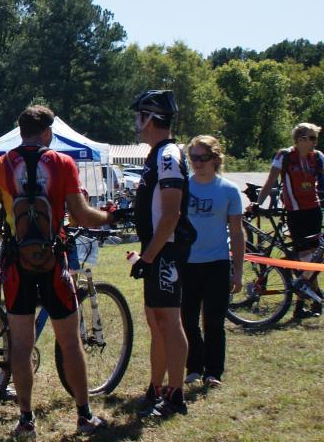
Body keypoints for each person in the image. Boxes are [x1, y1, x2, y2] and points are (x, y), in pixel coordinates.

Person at [0, 105, 115, 437]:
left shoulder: (0, 165)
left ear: (20, 129)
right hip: (54, 263)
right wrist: (109, 217)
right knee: (70, 343)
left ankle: (26, 420)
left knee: (22, 345)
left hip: (18, 266)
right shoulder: (62, 163)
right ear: (47, 132)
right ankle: (84, 416)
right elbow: (82, 215)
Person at [130, 89, 197, 419]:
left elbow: (171, 215)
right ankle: (156, 387)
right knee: (156, 322)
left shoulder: (168, 155)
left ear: (150, 118)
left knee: (169, 322)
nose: (136, 122)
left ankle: (175, 394)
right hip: (155, 250)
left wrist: (149, 258)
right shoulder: (156, 154)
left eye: (139, 115)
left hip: (165, 251)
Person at [183, 135, 244, 387]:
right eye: (193, 158)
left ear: (215, 158)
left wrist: (238, 272)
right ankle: (194, 367)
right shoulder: (183, 187)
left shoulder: (228, 190)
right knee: (187, 320)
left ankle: (213, 372)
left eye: (202, 158)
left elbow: (237, 233)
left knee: (214, 320)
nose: (197, 163)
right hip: (187, 263)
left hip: (217, 263)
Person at [254, 122, 324, 318]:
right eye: (312, 138)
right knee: (305, 258)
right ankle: (305, 303)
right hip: (295, 212)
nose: (314, 142)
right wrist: (258, 203)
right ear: (300, 139)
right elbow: (270, 181)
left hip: (314, 210)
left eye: (315, 138)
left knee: (314, 257)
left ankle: (310, 297)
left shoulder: (317, 157)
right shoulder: (284, 156)